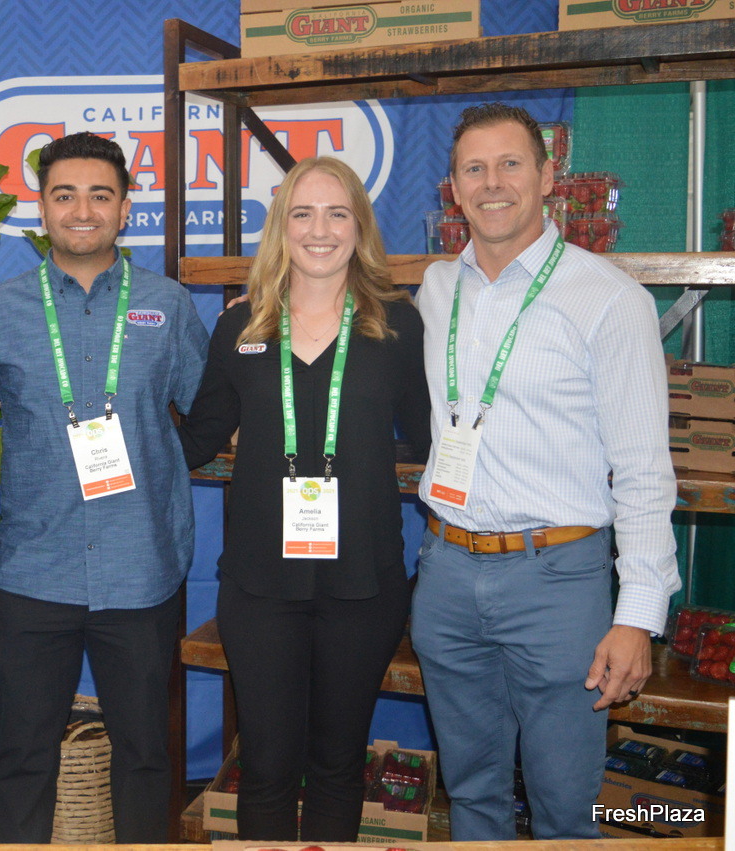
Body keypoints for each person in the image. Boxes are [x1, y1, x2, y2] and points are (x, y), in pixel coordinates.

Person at [411, 102, 681, 840]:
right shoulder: (436, 289)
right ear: (453, 189)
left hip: (557, 583)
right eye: (474, 168)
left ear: (547, 176)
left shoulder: (610, 299)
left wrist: (637, 614)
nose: (492, 183)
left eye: (510, 164)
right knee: (472, 796)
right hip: (447, 574)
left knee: (565, 808)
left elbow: (644, 471)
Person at [0, 131, 208, 842]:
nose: (82, 210)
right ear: (42, 207)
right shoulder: (1, 309)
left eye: (99, 195)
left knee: (145, 757)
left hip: (140, 571)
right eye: (65, 195)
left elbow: (211, 414)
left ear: (125, 209)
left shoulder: (168, 306)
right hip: (36, 571)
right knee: (23, 759)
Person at [177, 157, 430, 841]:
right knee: (265, 767)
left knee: (339, 765)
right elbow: (198, 437)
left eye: (337, 213)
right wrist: (107, 434)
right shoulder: (242, 328)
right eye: (303, 214)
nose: (320, 230)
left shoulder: (398, 327)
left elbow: (436, 439)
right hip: (260, 586)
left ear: (360, 227)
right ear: (281, 229)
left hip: (364, 586)